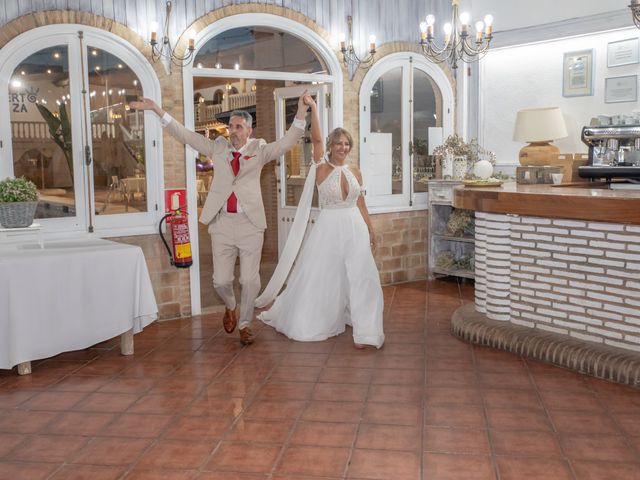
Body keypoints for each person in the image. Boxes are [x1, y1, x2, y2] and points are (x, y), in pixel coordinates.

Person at [130, 93, 310, 345]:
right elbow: (186, 135)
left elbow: (290, 140)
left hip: (250, 224)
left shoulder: (260, 150)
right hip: (222, 223)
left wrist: (301, 109)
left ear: (249, 130)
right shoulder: (218, 147)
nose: (232, 131)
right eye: (231, 127)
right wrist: (158, 110)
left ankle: (245, 324)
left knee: (249, 279)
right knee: (220, 281)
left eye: (238, 127)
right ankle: (230, 305)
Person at [257, 95, 384, 349]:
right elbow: (315, 138)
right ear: (330, 146)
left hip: (355, 229)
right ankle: (314, 319)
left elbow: (360, 203)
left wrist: (371, 229)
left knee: (364, 276)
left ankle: (367, 331)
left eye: (347, 144)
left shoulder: (355, 171)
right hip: (329, 230)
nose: (343, 148)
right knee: (324, 277)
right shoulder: (321, 169)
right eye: (338, 144)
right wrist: (313, 108)